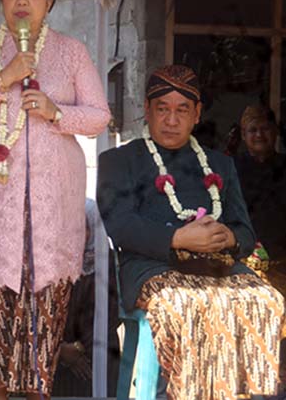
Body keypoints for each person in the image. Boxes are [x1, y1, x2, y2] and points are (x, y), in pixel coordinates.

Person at [0, 0, 110, 400]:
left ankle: (39, 393)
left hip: (52, 206)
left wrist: (56, 112)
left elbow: (99, 117)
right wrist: (5, 77)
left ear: (51, 0)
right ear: (1, 0)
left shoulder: (71, 52)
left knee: (46, 311)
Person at [97, 64, 285, 399]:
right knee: (182, 303)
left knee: (265, 298)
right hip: (150, 268)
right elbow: (119, 224)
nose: (171, 120)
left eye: (182, 110)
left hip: (219, 267)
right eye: (162, 109)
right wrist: (177, 238)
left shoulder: (220, 163)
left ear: (197, 114)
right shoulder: (119, 160)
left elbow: (244, 229)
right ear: (147, 110)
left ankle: (232, 393)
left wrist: (228, 237)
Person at [52, 198, 120, 398]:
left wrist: (78, 348)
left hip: (97, 354)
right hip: (58, 356)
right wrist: (61, 349)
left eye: (83, 228)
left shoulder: (108, 263)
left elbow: (111, 314)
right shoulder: (53, 262)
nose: (77, 236)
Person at [235, 105, 286, 294]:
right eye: (252, 130)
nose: (259, 135)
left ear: (275, 131)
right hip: (244, 267)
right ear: (243, 135)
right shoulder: (232, 169)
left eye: (264, 129)